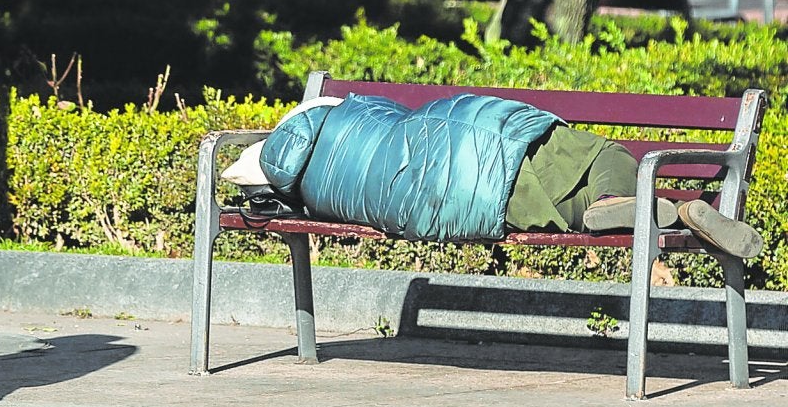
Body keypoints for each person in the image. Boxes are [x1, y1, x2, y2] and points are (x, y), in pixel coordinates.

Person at [238, 93, 763, 258]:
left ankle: (616, 210)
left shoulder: (311, 191)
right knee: (604, 154)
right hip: (484, 140)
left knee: (557, 205)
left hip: (469, 196)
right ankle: (627, 202)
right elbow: (404, 119)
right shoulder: (347, 114)